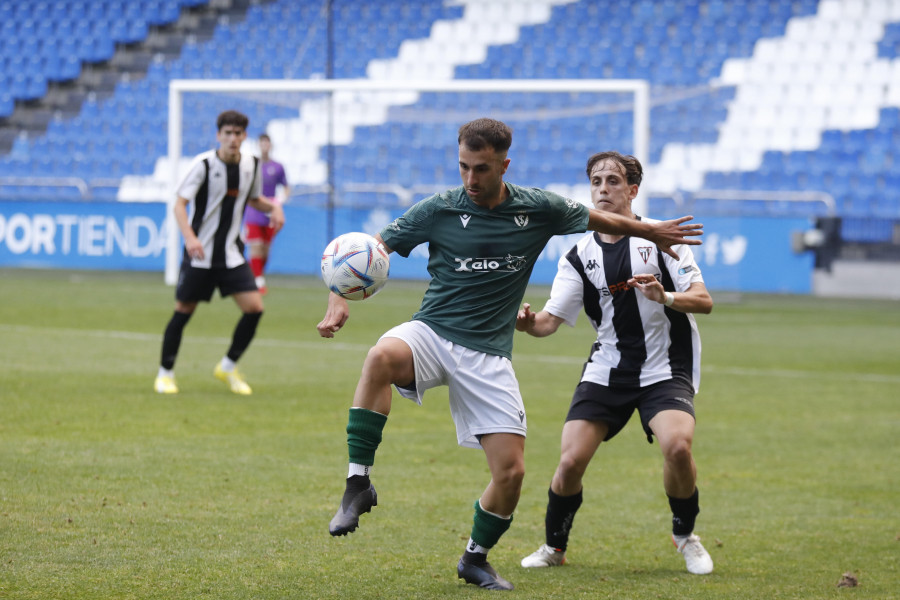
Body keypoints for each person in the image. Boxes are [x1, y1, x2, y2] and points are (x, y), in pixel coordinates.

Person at [316, 119, 703, 591]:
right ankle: (359, 482)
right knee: (380, 356)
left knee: (512, 472)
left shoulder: (537, 207)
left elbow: (601, 220)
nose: (470, 180)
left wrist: (653, 231)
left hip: (489, 356)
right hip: (434, 332)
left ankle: (475, 558)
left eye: (481, 169)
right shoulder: (439, 208)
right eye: (463, 167)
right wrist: (339, 295)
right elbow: (372, 251)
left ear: (504, 164)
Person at [516, 151, 715, 575]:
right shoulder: (577, 254)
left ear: (632, 190)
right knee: (569, 462)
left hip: (664, 366)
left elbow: (704, 301)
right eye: (596, 182)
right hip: (608, 368)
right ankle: (554, 547)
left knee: (677, 447)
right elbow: (550, 322)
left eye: (612, 181)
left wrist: (667, 297)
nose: (602, 189)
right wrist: (528, 322)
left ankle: (685, 535)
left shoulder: (662, 239)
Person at [154, 110, 285, 396]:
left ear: (244, 136)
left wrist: (274, 207)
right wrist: (189, 239)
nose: (233, 139)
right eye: (227, 133)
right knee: (183, 312)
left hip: (231, 255)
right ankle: (165, 373)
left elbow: (253, 199)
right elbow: (179, 204)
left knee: (254, 309)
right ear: (218, 135)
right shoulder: (203, 165)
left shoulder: (251, 165)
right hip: (200, 256)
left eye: (238, 133)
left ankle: (227, 366)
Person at [243, 133, 290, 295]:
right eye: (261, 143)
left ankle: (254, 276)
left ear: (270, 146)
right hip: (254, 209)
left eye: (267, 143)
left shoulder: (278, 167)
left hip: (270, 211)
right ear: (258, 145)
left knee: (265, 249)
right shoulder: (251, 165)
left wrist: (279, 201)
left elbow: (286, 187)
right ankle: (259, 282)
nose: (264, 146)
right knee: (255, 245)